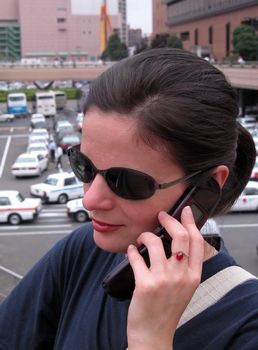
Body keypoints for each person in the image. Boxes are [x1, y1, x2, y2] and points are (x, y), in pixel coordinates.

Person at [0, 48, 257, 350]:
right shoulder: (83, 252)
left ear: (206, 188)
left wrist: (150, 340)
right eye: (84, 166)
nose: (90, 199)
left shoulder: (245, 324)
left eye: (126, 182)